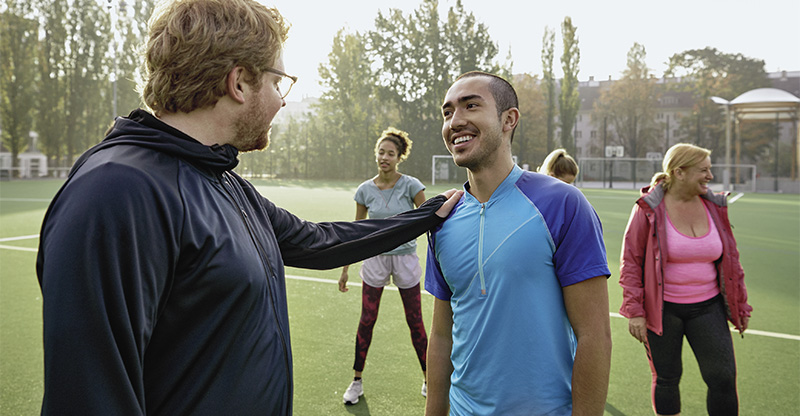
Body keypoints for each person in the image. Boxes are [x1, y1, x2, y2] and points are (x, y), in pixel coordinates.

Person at [34, 1, 461, 415]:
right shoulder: (117, 190)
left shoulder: (221, 181)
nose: (282, 101)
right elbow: (90, 396)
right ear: (239, 83)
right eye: (279, 82)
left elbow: (318, 242)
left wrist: (427, 214)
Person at [424, 71, 612, 415]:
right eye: (448, 112)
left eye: (471, 106)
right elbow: (440, 338)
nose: (456, 121)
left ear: (508, 119)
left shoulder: (563, 204)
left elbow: (594, 335)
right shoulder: (442, 219)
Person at [619, 143, 751, 416]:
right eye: (703, 170)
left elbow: (732, 260)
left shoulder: (714, 206)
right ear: (679, 172)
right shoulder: (648, 209)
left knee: (723, 378)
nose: (710, 177)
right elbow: (630, 262)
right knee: (667, 379)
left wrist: (742, 303)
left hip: (708, 307)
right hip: (663, 310)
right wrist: (634, 311)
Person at [338, 128, 429, 404]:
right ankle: (356, 381)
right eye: (381, 152)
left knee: (415, 321)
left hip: (405, 259)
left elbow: (429, 221)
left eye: (390, 153)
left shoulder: (412, 185)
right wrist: (345, 268)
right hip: (375, 258)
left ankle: (429, 379)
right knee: (367, 320)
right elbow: (356, 231)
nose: (384, 157)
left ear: (399, 157)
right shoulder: (365, 190)